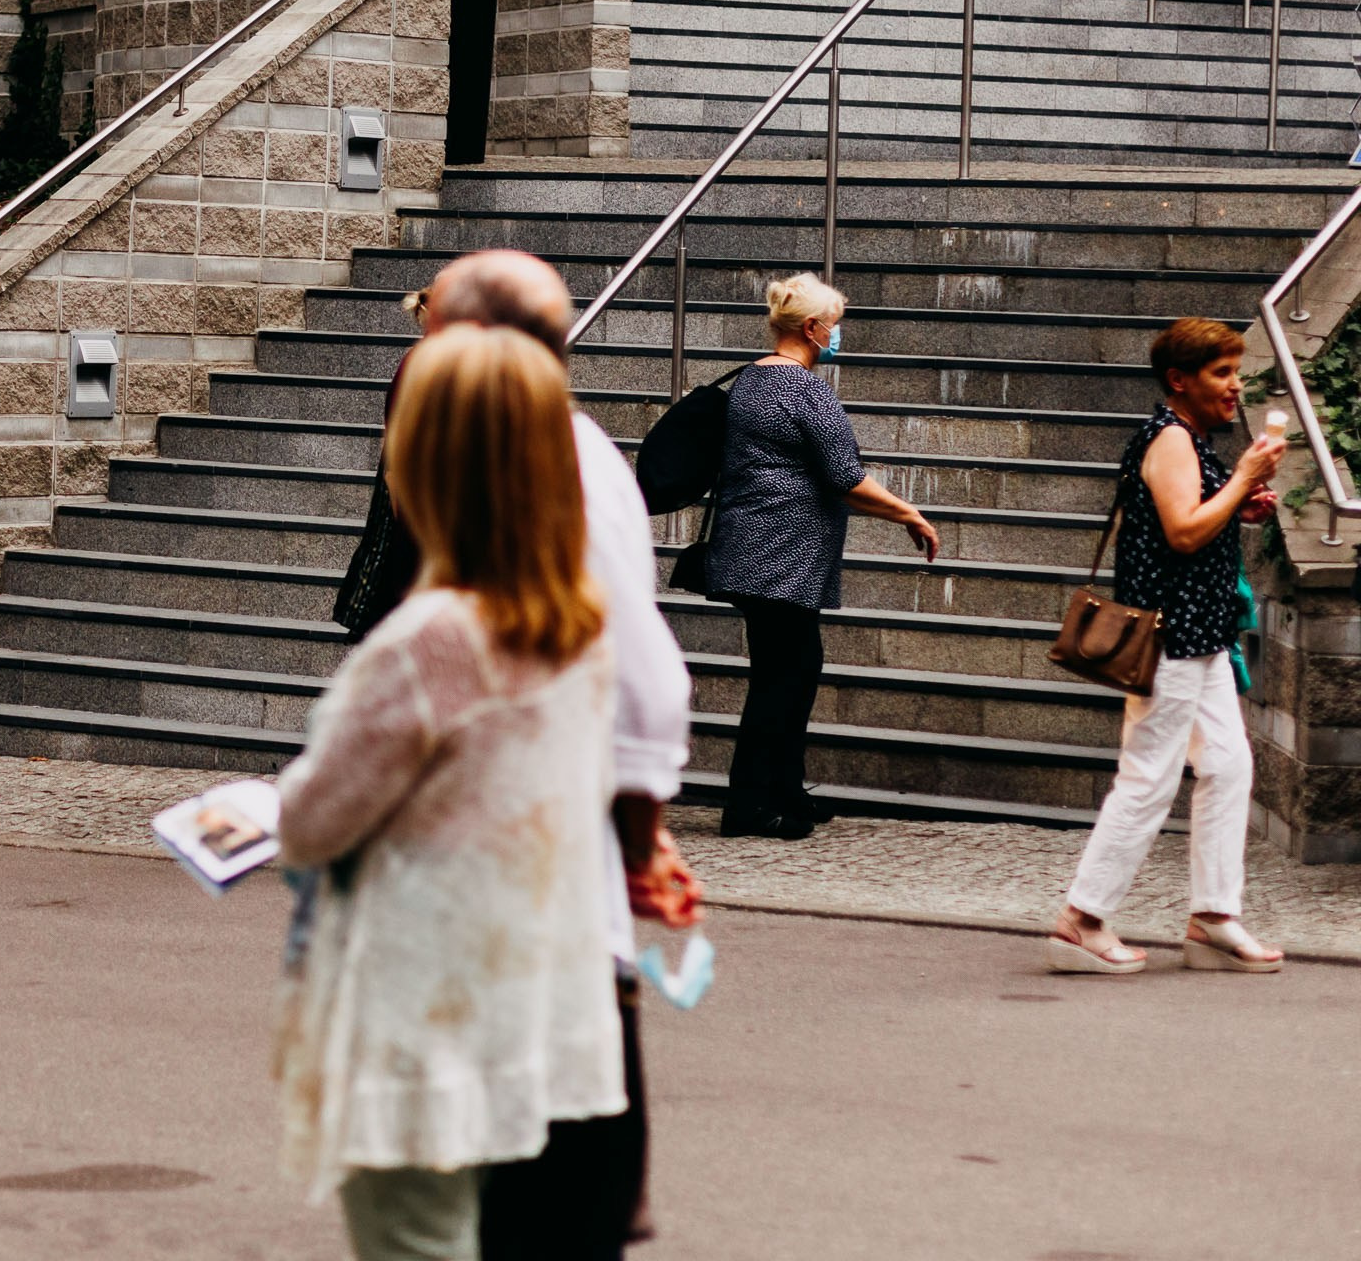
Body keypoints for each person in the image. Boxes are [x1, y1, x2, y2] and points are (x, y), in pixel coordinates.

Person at [331, 250, 695, 1255]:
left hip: (513, 932)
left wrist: (635, 835)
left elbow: (644, 676)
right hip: (539, 917)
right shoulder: (554, 452)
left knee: (517, 1215)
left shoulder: (544, 464)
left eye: (432, 333)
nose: (418, 357)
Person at [277, 323, 624, 1261]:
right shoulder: (577, 627)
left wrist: (257, 814)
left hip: (422, 1010)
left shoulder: (430, 640)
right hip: (525, 1001)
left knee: (416, 1241)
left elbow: (313, 822)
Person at [1047, 319, 1287, 975]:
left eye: (1236, 372)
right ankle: (1082, 919)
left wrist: (1236, 505)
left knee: (1231, 766)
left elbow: (1183, 520)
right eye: (1220, 374)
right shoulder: (1172, 438)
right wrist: (1241, 479)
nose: (1235, 386)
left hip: (1200, 636)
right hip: (1173, 639)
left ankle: (1214, 918)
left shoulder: (1185, 439)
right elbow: (1182, 533)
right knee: (1150, 775)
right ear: (1180, 381)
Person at [702, 272, 940, 840]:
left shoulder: (752, 381)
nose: (836, 336)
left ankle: (783, 790)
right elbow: (845, 478)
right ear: (811, 328)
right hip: (780, 554)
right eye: (833, 327)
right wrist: (909, 513)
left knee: (792, 670)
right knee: (783, 678)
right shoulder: (806, 390)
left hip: (754, 548)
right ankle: (748, 807)